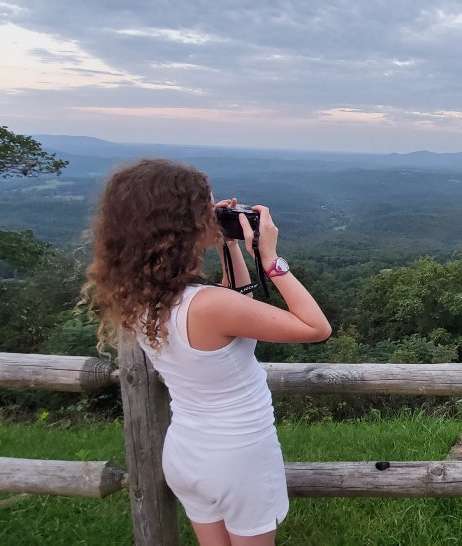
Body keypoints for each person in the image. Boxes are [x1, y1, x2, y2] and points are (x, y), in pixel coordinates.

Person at [83, 159, 331, 546]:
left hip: (186, 454)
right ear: (184, 224)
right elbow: (316, 328)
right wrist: (270, 259)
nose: (214, 214)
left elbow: (234, 301)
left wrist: (229, 245)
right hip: (239, 458)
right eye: (207, 208)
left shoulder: (142, 299)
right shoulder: (210, 305)